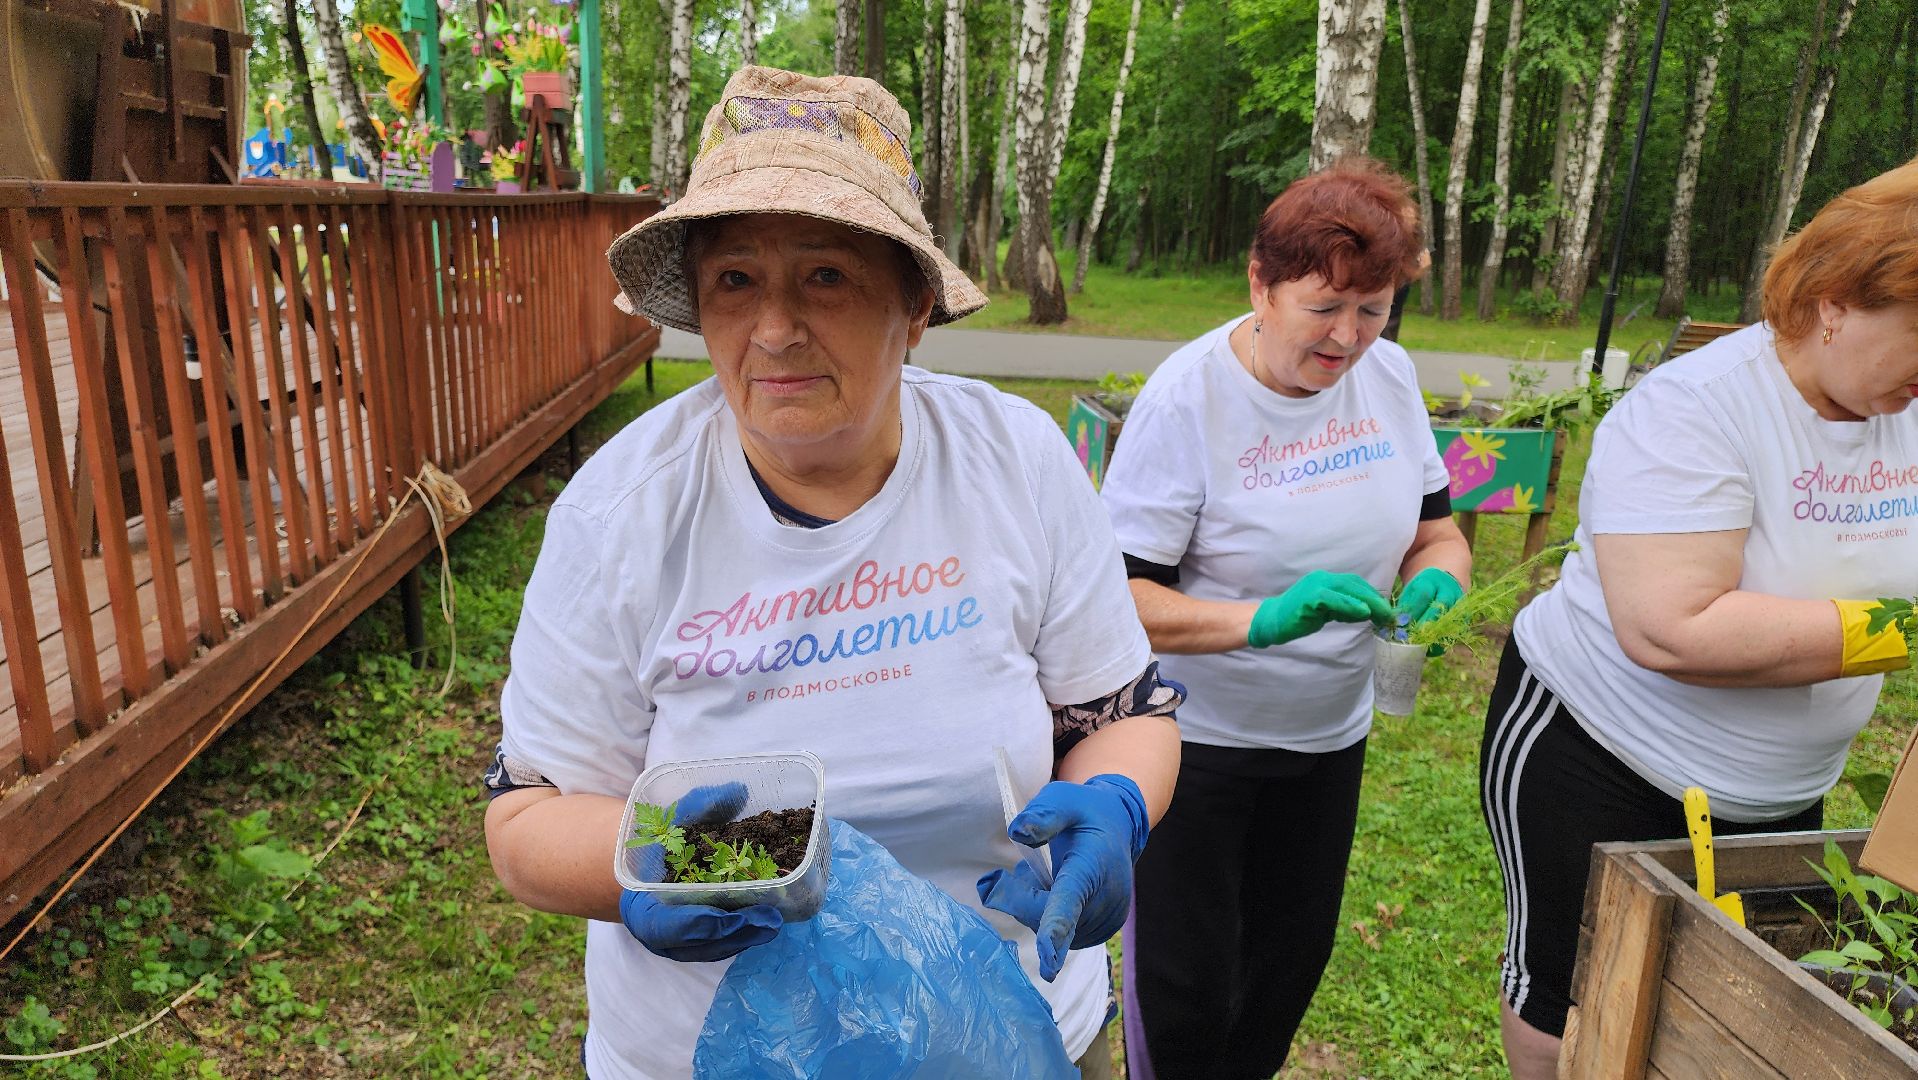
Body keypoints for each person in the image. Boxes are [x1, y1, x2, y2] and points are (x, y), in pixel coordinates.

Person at [479, 66, 1183, 1080]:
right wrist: (655, 870)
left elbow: (1120, 710)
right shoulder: (622, 515)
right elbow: (526, 819)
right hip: (716, 1054)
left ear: (914, 303)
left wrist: (1112, 803)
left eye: (824, 276)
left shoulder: (1014, 463)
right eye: (734, 280)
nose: (772, 330)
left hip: (1011, 1034)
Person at [1481, 160, 1918, 1079]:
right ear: (1836, 301)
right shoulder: (1698, 408)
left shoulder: (1903, 408)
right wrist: (1903, 629)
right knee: (1570, 988)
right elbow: (1672, 628)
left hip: (1783, 787)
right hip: (1601, 759)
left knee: (1726, 1003)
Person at [1100, 158, 1473, 1080]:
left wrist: (1442, 579)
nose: (1350, 339)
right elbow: (1117, 603)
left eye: (1374, 309)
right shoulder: (1187, 401)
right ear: (1260, 287)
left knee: (1283, 972)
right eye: (1325, 309)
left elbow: (1440, 533)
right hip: (1196, 748)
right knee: (1184, 993)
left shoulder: (1388, 378)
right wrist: (1260, 620)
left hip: (1326, 742)